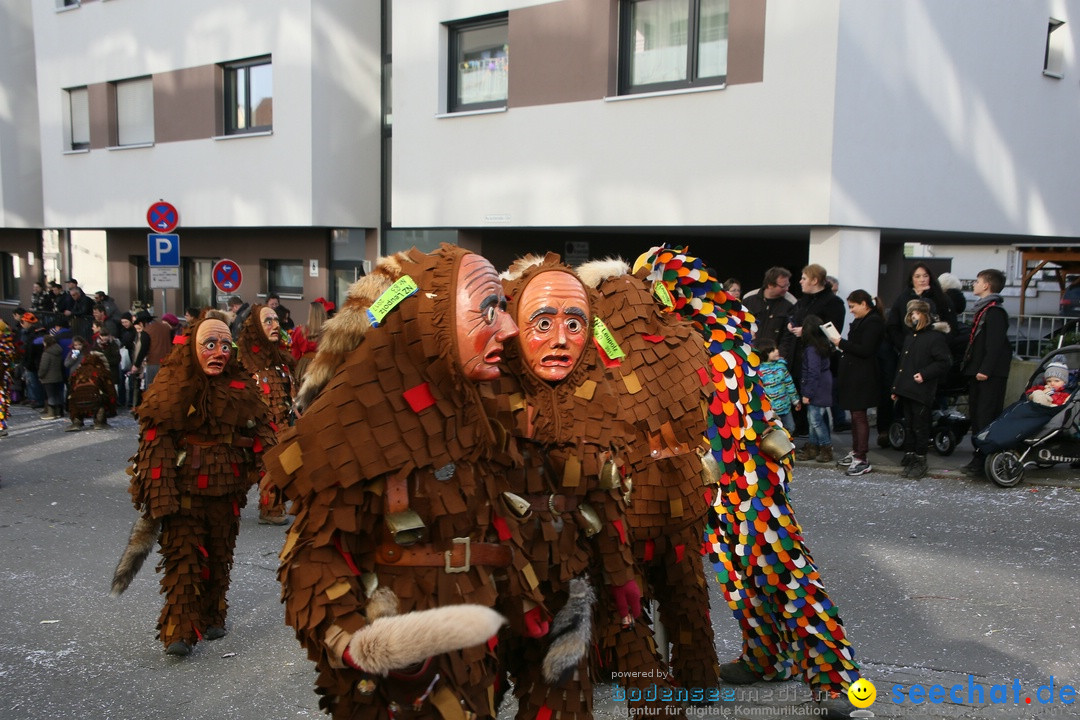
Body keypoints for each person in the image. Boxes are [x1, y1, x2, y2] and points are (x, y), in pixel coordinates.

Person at [261, 246, 535, 720]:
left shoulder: (475, 409)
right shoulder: (347, 421)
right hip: (398, 665)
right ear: (431, 319)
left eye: (504, 309)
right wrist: (359, 643)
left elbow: (494, 521)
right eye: (488, 310)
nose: (508, 329)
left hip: (474, 642)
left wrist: (524, 597)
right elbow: (312, 556)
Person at [635, 246, 861, 718]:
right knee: (737, 575)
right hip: (711, 479)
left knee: (781, 569)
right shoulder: (674, 343)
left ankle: (836, 678)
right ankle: (766, 657)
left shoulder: (720, 341)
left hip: (752, 472)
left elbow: (734, 424)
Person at [111, 310, 275, 656]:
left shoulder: (241, 388)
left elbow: (261, 435)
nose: (219, 352)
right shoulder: (171, 388)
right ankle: (179, 631)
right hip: (184, 495)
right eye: (210, 344)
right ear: (193, 348)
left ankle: (214, 613)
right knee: (183, 561)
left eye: (225, 346)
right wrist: (160, 495)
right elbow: (155, 443)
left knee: (218, 556)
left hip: (226, 493)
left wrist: (280, 472)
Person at [235, 304, 295, 525]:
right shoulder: (245, 360)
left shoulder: (281, 358)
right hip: (259, 425)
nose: (275, 325)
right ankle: (269, 508)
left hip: (282, 423)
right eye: (268, 321)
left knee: (278, 463)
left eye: (276, 320)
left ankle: (272, 507)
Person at [891, 300, 953, 479]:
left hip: (921, 389)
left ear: (925, 315)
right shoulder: (911, 337)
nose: (913, 317)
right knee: (909, 424)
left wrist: (924, 374)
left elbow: (944, 361)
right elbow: (902, 364)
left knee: (920, 425)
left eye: (916, 313)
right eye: (911, 314)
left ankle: (920, 458)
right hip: (907, 388)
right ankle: (910, 454)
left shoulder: (934, 337)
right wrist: (896, 387)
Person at [961, 269, 1011, 477]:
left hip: (989, 374)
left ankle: (984, 458)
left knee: (985, 416)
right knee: (977, 416)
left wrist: (985, 370)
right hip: (979, 372)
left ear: (987, 286)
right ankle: (980, 456)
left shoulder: (995, 312)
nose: (974, 284)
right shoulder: (983, 310)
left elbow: (995, 344)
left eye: (977, 281)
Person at [829, 291, 885, 476]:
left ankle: (861, 456)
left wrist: (841, 343)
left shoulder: (873, 321)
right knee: (855, 415)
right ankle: (856, 452)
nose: (851, 311)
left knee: (859, 415)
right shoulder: (866, 320)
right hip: (856, 375)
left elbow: (866, 349)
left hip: (862, 376)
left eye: (853, 306)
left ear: (864, 304)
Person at [788, 264, 845, 437]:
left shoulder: (833, 302)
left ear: (815, 280)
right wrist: (791, 323)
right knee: (804, 402)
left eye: (804, 278)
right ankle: (811, 440)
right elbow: (794, 314)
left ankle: (823, 443)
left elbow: (833, 330)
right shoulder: (804, 300)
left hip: (818, 358)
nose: (800, 282)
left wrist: (806, 331)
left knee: (816, 407)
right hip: (800, 356)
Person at [795, 315, 835, 463]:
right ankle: (814, 447)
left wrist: (807, 393)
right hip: (823, 385)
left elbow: (812, 372)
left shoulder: (811, 349)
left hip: (816, 388)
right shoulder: (822, 345)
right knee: (813, 419)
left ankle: (825, 447)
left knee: (815, 420)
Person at [743, 266, 795, 362]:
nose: (787, 289)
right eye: (783, 286)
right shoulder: (749, 300)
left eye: (788, 285)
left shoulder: (790, 304)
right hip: (749, 355)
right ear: (770, 285)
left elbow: (787, 336)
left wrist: (781, 355)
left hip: (773, 360)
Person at [753, 336, 800, 434]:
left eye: (776, 348)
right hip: (771, 410)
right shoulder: (759, 371)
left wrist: (795, 400)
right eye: (772, 350)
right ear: (765, 353)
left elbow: (789, 384)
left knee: (790, 427)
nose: (777, 351)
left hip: (785, 406)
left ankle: (787, 445)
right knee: (774, 430)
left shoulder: (781, 366)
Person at [64, 349, 117, 432]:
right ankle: (100, 422)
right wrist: (112, 407)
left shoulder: (78, 371)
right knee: (101, 400)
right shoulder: (101, 371)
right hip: (95, 397)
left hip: (76, 399)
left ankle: (76, 421)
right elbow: (110, 390)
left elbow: (71, 386)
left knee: (76, 401)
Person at [289, 298, 332, 384]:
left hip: (305, 366)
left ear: (310, 314)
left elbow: (295, 355)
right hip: (323, 364)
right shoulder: (330, 331)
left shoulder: (300, 331)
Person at [141, 311, 174, 388]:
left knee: (152, 386)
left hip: (153, 362)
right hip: (167, 361)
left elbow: (143, 349)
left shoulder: (147, 331)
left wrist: (136, 364)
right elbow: (174, 343)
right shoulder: (167, 329)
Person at [38, 335, 66, 419]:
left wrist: (40, 375)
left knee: (50, 395)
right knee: (57, 394)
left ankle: (51, 413)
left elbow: (44, 367)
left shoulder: (46, 353)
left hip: (48, 377)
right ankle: (58, 412)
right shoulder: (58, 351)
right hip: (58, 376)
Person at [0, 318, 13, 437]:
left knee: (1, 401)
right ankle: (1, 426)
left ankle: (1, 426)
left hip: (2, 376)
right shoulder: (6, 343)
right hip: (3, 376)